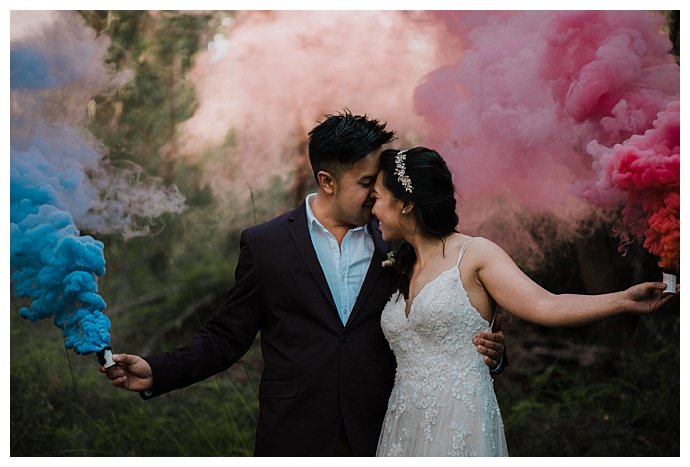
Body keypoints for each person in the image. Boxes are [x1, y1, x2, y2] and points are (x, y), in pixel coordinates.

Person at [101, 112, 506, 456]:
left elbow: (445, 320)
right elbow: (226, 337)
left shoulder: (400, 241)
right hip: (295, 433)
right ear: (327, 181)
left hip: (385, 430)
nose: (377, 196)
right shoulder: (266, 245)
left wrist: (490, 353)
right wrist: (157, 370)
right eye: (366, 183)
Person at [370, 146, 678, 457]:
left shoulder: (474, 254)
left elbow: (546, 305)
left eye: (378, 197)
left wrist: (623, 299)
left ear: (407, 203)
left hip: (459, 418)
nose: (373, 208)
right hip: (404, 420)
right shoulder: (399, 265)